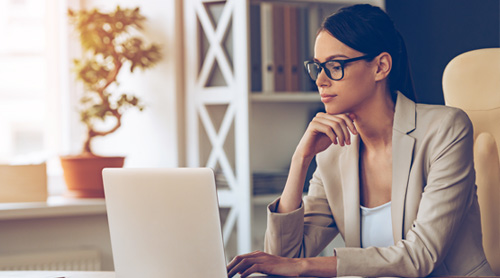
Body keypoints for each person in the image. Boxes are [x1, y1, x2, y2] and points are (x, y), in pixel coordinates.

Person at [227, 4, 495, 278]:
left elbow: (420, 256)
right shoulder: (333, 154)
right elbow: (283, 259)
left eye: (334, 66)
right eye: (317, 67)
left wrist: (305, 266)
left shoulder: (445, 130)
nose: (320, 80)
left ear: (380, 67)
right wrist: (301, 159)